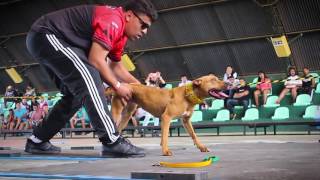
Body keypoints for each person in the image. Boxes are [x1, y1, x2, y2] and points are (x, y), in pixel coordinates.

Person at [24, 0, 158, 157]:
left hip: (50, 41)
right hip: (46, 34)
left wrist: (142, 88)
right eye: (143, 25)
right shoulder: (113, 20)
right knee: (90, 77)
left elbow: (116, 68)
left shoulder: (121, 35)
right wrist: (117, 86)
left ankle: (37, 140)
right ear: (129, 15)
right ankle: (112, 142)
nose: (145, 32)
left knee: (75, 95)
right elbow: (96, 59)